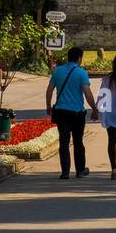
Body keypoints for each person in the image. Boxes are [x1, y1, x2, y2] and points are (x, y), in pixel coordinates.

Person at [46, 46, 99, 180]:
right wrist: (94, 108)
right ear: (79, 58)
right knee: (78, 141)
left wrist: (48, 106)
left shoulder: (58, 71)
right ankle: (80, 170)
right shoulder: (81, 73)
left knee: (64, 142)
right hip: (77, 112)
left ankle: (65, 172)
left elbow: (49, 90)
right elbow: (87, 93)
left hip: (61, 111)